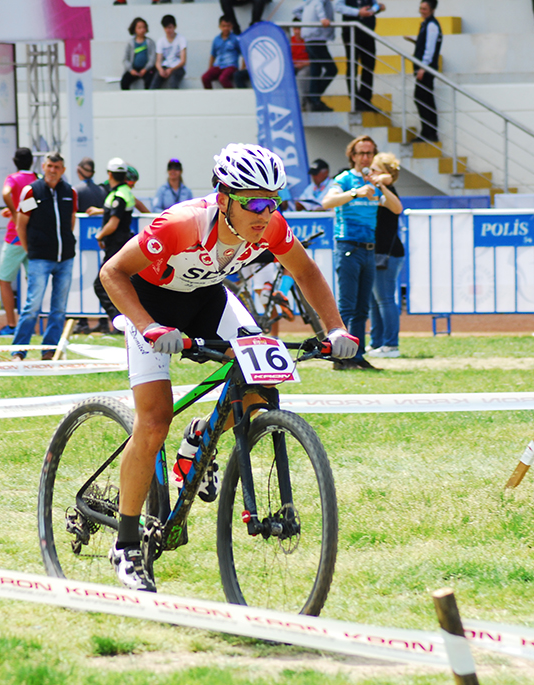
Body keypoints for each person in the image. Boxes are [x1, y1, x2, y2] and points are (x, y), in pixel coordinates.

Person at [98, 143, 357, 591]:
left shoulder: (270, 225)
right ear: (223, 200)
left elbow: (307, 272)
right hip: (151, 303)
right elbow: (112, 273)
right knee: (155, 419)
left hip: (208, 300)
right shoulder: (180, 225)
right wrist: (148, 327)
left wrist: (335, 330)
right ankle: (125, 543)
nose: (265, 213)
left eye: (272, 201)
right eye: (253, 202)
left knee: (260, 389)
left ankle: (199, 440)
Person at [322, 135, 402, 370]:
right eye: (361, 153)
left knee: (362, 308)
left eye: (369, 153)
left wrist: (381, 185)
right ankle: (341, 358)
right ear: (353, 156)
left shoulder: (375, 183)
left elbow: (397, 208)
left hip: (369, 248)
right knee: (347, 306)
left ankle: (356, 355)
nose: (365, 157)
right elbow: (327, 202)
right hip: (348, 245)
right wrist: (356, 193)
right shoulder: (345, 179)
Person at [10, 152, 78, 361]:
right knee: (32, 306)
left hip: (65, 257)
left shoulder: (69, 192)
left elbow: (71, 220)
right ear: (43, 167)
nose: (52, 171)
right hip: (40, 257)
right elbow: (21, 224)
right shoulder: (32, 191)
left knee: (59, 308)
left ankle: (49, 350)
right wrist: (30, 250)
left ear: (63, 170)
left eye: (57, 167)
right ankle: (18, 351)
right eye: (49, 166)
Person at [93, 158, 138, 335]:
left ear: (109, 174)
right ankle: (124, 320)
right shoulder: (125, 192)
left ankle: (120, 321)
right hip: (121, 243)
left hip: (116, 245)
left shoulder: (118, 195)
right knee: (120, 283)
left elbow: (113, 223)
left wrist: (100, 234)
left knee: (102, 284)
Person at [0, 147, 38, 336]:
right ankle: (30, 325)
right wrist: (19, 211)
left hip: (15, 237)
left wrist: (13, 213)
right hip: (32, 236)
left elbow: (6, 193)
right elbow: (32, 203)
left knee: (4, 280)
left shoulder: (12, 179)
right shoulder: (37, 179)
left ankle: (12, 325)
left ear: (14, 161)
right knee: (34, 282)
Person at [366, 152, 404, 358]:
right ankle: (377, 342)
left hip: (388, 254)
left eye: (374, 169)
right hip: (378, 252)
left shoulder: (387, 188)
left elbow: (397, 207)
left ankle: (391, 345)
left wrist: (381, 182)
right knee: (375, 300)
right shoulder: (377, 188)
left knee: (385, 299)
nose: (370, 172)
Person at [335, 0, 384, 112]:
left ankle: (366, 99)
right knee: (352, 65)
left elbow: (373, 5)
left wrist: (378, 8)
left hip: (367, 31)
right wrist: (357, 12)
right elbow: (338, 7)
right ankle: (355, 100)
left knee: (369, 65)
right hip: (351, 32)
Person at [410, 0, 441, 142]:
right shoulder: (426, 24)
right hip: (425, 67)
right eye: (421, 8)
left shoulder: (432, 25)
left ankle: (428, 132)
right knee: (425, 98)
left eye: (425, 8)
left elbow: (430, 49)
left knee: (421, 98)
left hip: (426, 69)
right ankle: (429, 132)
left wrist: (423, 67)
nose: (422, 11)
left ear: (432, 10)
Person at [301, 0, 337, 112]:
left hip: (311, 39)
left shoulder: (308, 3)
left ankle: (315, 99)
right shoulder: (318, 2)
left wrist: (307, 21)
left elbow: (296, 10)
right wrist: (321, 19)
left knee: (315, 70)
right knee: (332, 69)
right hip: (316, 39)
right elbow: (318, 5)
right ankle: (313, 96)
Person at [202, 16, 242, 89]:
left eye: (228, 26)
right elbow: (213, 55)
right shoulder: (216, 39)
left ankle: (232, 95)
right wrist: (210, 68)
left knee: (223, 78)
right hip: (218, 65)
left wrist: (242, 68)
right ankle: (210, 97)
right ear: (220, 26)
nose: (226, 28)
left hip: (230, 66)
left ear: (231, 26)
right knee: (205, 77)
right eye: (223, 26)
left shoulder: (236, 39)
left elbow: (243, 54)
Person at [151, 15, 187, 90]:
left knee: (172, 82)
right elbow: (158, 61)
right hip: (165, 66)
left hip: (177, 67)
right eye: (166, 28)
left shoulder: (181, 39)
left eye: (170, 27)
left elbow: (183, 61)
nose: (168, 30)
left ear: (175, 27)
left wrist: (171, 69)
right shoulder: (161, 41)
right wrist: (161, 70)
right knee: (154, 84)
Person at [121, 17, 156, 90]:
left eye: (144, 27)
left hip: (146, 69)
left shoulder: (150, 42)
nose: (142, 30)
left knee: (149, 81)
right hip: (134, 69)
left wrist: (145, 69)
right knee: (124, 81)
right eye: (139, 28)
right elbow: (125, 59)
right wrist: (131, 70)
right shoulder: (130, 43)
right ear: (134, 29)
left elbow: (152, 59)